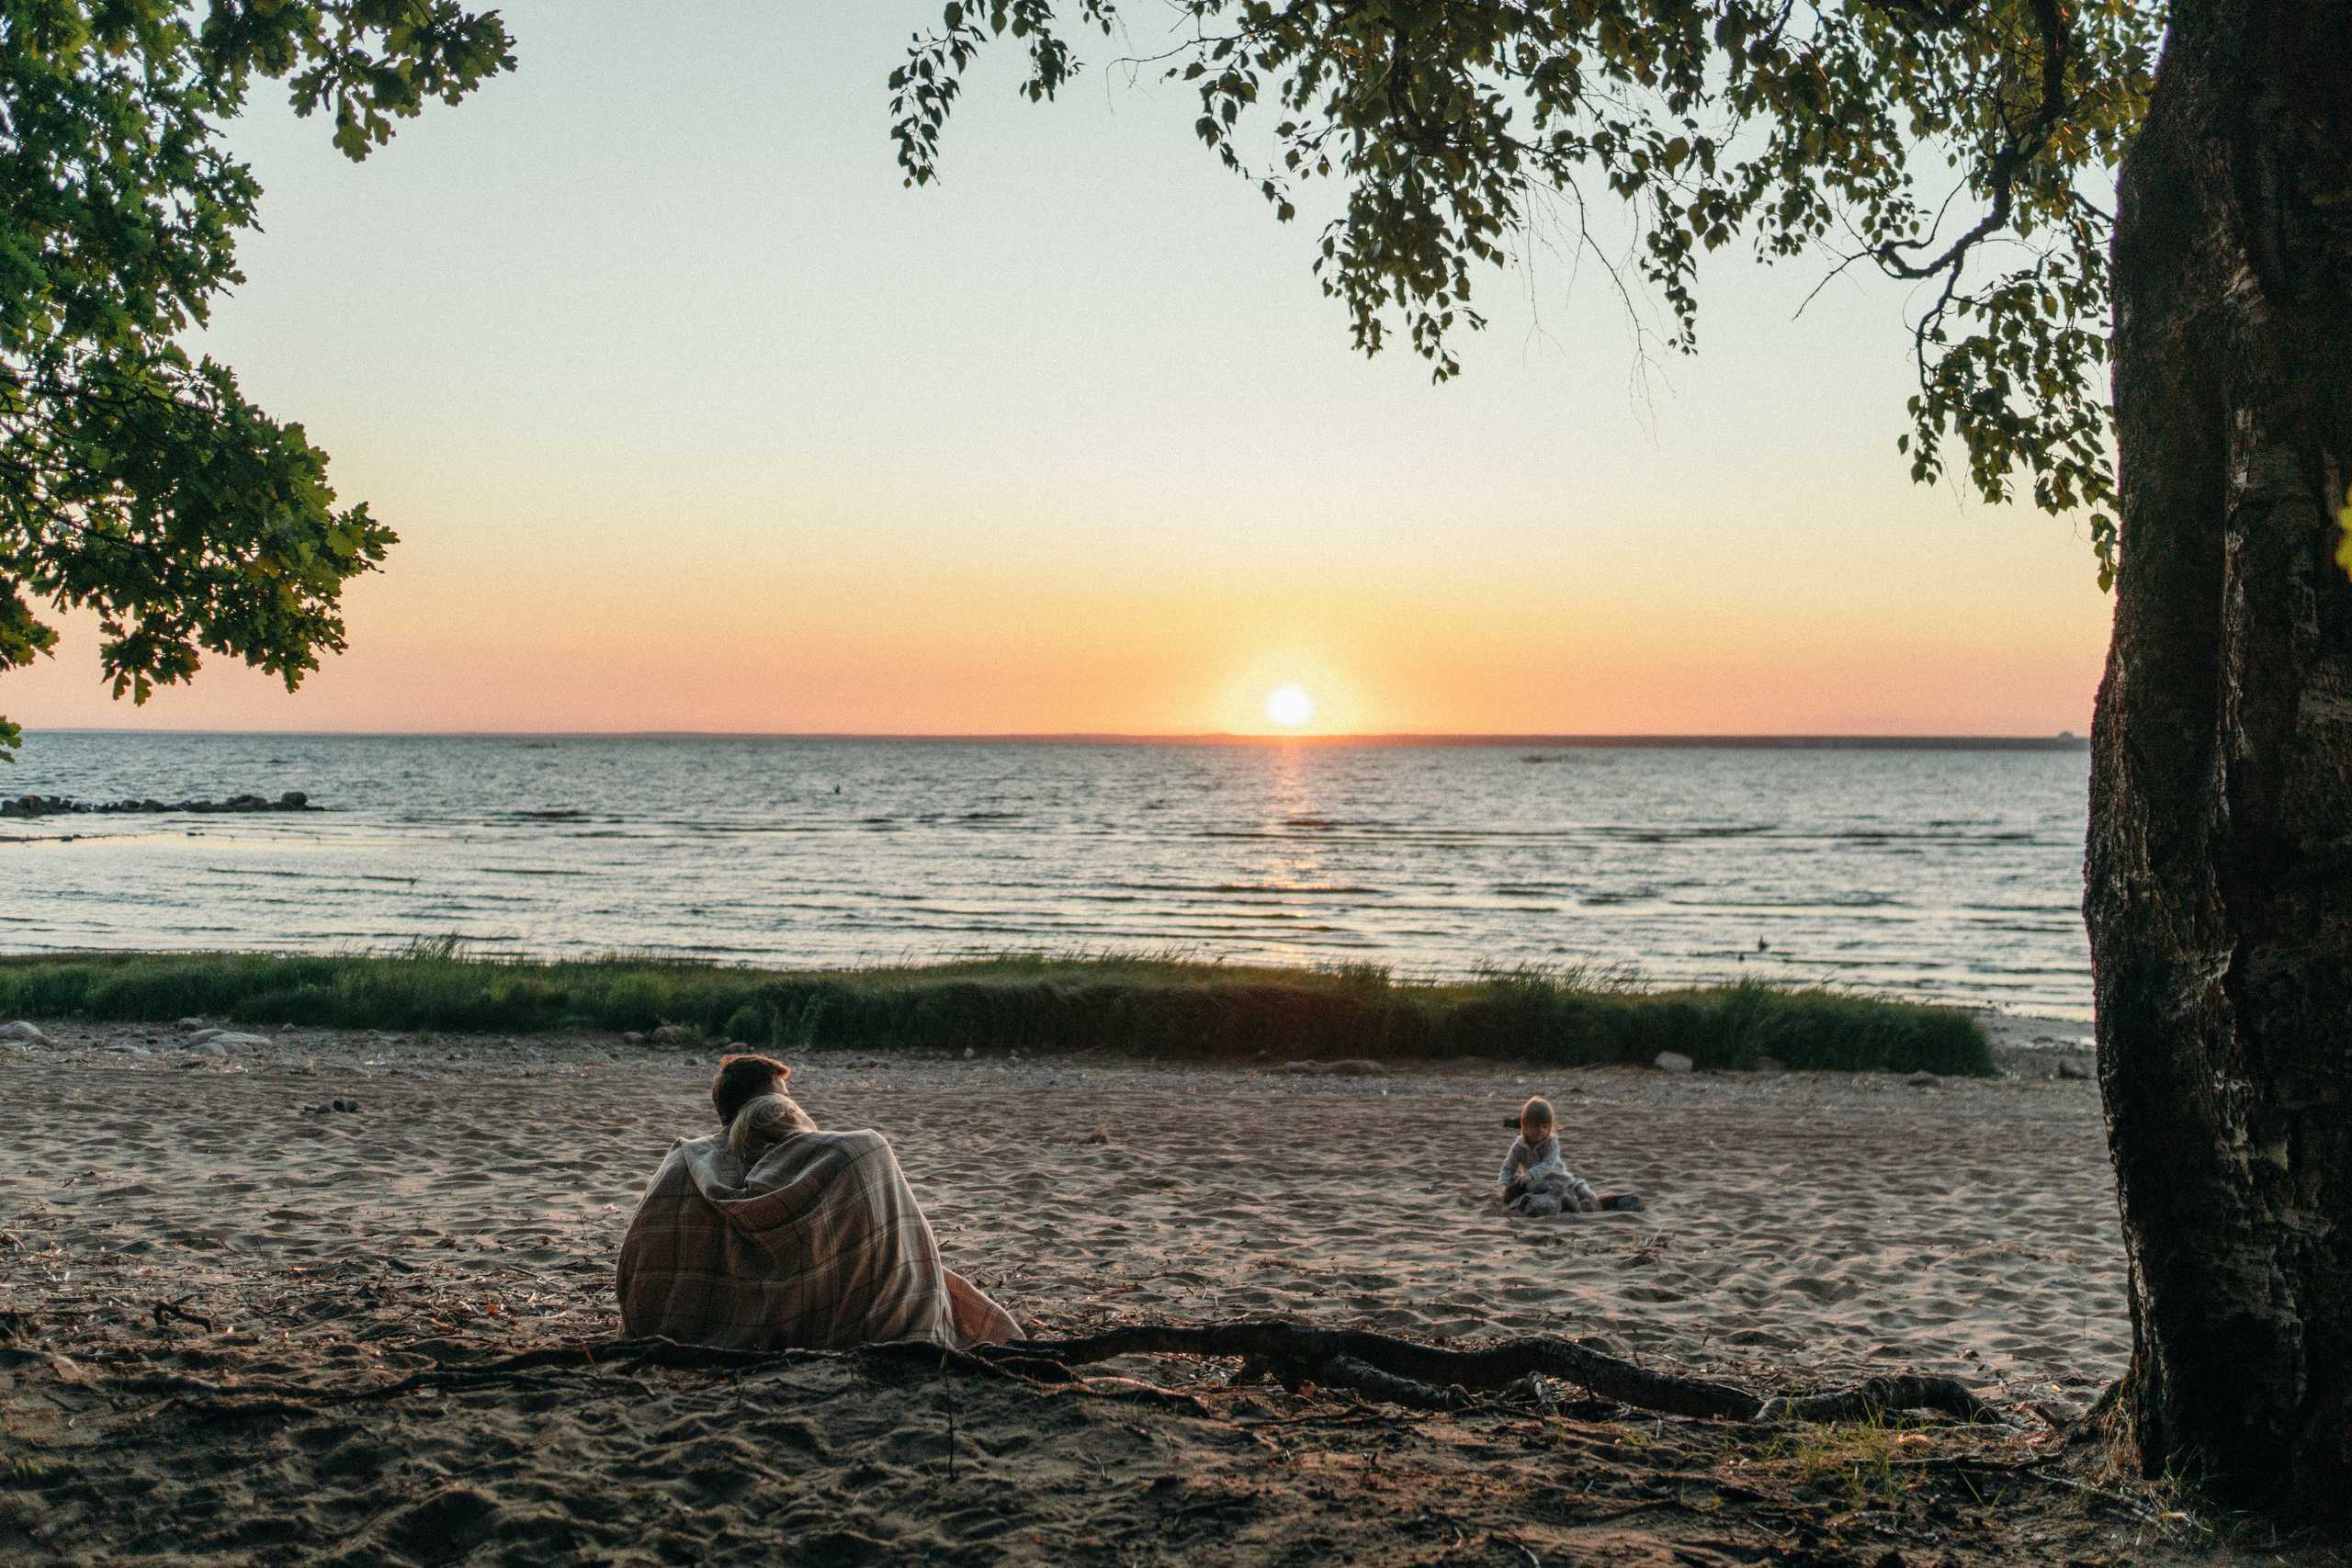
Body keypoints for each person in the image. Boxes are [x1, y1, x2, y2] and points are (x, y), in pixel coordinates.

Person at [616, 1053, 1021, 1349]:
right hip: (839, 1325)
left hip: (692, 1330)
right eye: (787, 1097)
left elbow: (637, 1269)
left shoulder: (682, 1164)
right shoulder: (855, 1154)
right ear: (781, 1107)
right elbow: (903, 1258)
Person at [1497, 1095, 1642, 1215]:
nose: (1540, 1130)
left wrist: (1531, 1173)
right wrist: (1504, 1186)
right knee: (1519, 1194)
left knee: (1586, 1194)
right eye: (1535, 1126)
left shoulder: (1551, 1143)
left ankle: (1608, 1202)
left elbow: (1548, 1164)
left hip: (1563, 1182)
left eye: (1544, 1127)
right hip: (1538, 1185)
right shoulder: (1518, 1147)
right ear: (1525, 1125)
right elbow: (1508, 1168)